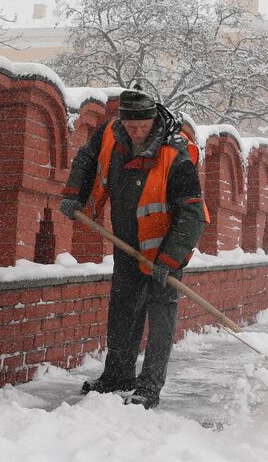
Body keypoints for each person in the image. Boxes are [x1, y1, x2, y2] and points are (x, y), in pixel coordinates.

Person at [59, 89, 206, 409]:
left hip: (166, 248)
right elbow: (86, 159)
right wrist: (74, 193)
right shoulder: (112, 134)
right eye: (130, 126)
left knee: (160, 315)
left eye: (142, 127)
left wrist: (169, 259)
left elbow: (193, 213)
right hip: (127, 243)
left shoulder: (175, 153)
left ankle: (149, 386)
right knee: (123, 310)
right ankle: (118, 375)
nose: (136, 132)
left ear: (153, 121)